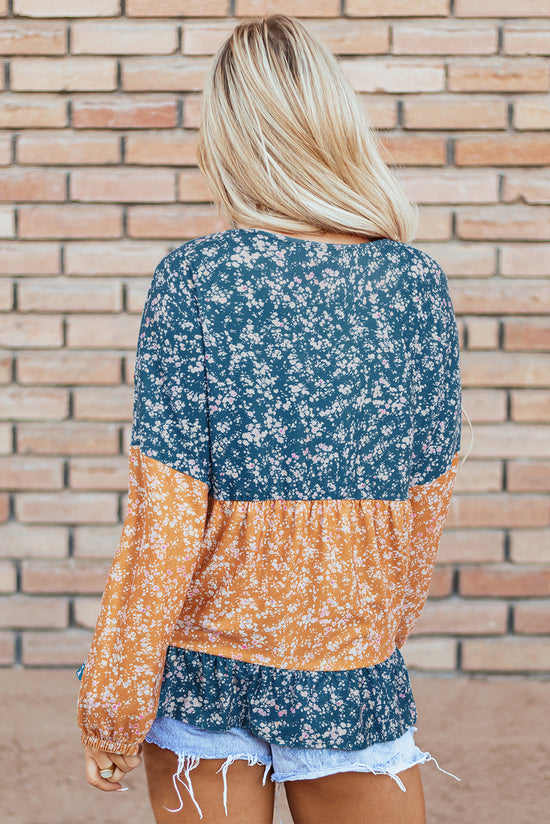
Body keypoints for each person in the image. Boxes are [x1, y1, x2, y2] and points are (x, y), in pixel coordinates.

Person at [77, 13, 470, 824]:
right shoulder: (413, 284)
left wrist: (114, 696)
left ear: (229, 137)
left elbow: (167, 508)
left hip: (206, 663)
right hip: (346, 662)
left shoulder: (195, 279)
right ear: (333, 125)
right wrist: (365, 625)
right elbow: (426, 499)